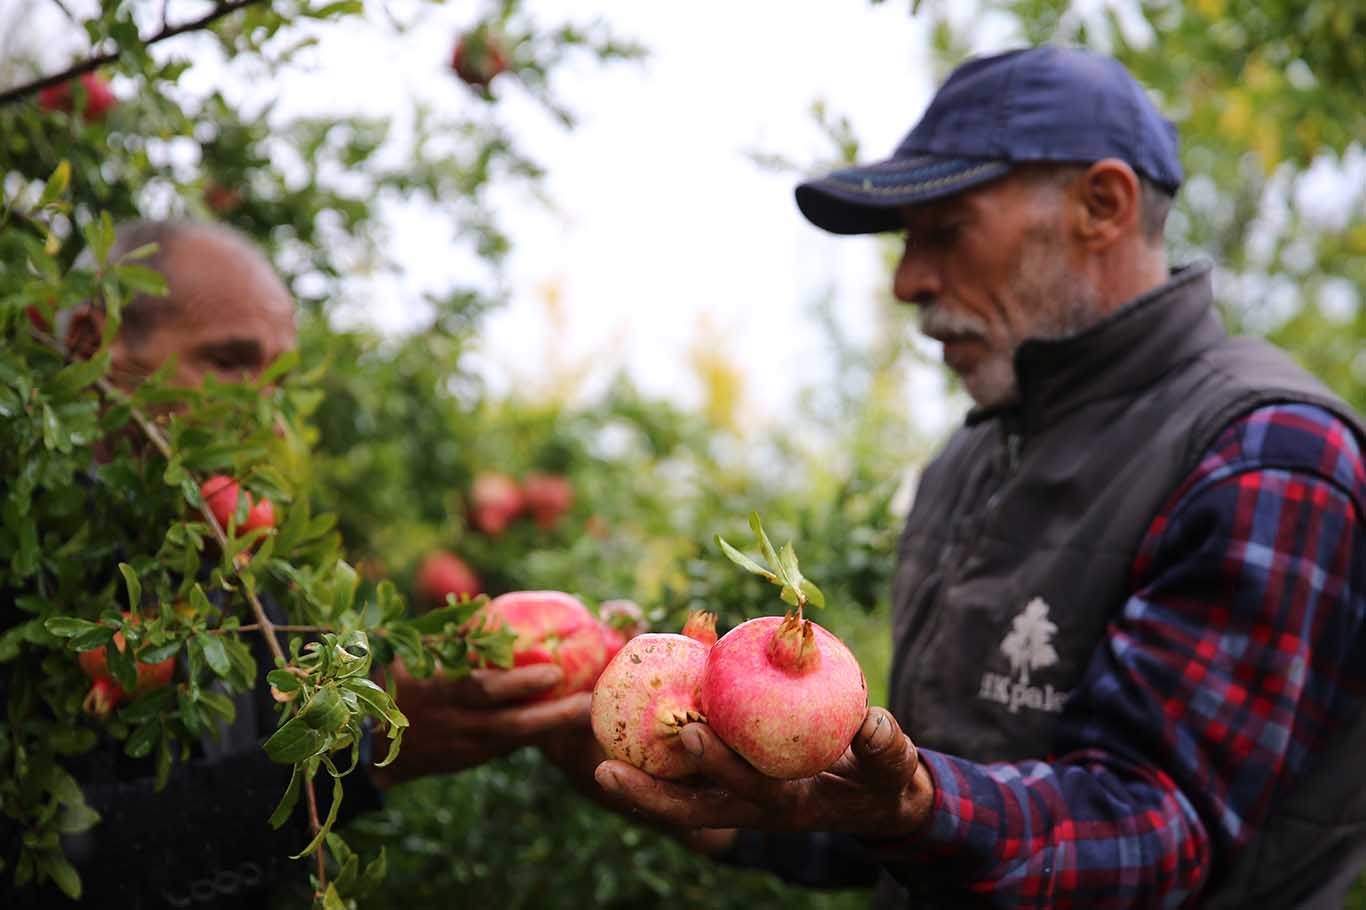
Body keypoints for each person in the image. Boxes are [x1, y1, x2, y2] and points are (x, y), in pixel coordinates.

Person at [583, 46, 1366, 908]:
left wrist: (918, 806)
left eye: (946, 230)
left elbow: (1160, 833)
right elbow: (906, 836)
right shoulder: (970, 459)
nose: (909, 281)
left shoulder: (1270, 454)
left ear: (1101, 206)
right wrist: (703, 788)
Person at [1, 220, 592, 908]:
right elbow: (38, 857)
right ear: (89, 348)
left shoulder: (257, 582)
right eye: (228, 362)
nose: (268, 416)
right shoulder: (25, 560)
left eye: (278, 377)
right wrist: (353, 753)